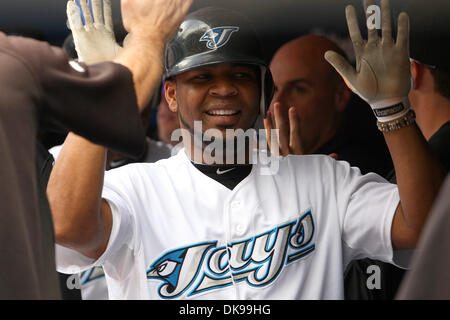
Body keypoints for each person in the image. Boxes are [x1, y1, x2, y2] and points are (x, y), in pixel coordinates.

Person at [49, 1, 444, 300]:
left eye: (240, 74)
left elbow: (424, 230)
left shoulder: (325, 180)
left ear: (265, 90)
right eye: (201, 77)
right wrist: (102, 95)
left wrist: (391, 109)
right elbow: (67, 228)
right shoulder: (135, 188)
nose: (223, 89)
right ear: (170, 94)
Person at [0, 0, 192, 300]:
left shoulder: (174, 162)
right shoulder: (41, 167)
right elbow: (64, 230)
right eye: (94, 82)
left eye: (136, 83)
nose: (133, 103)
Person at [268, 34, 404, 300]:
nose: (278, 103)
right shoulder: (248, 166)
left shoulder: (361, 173)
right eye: (273, 89)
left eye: (298, 89)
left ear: (340, 96)